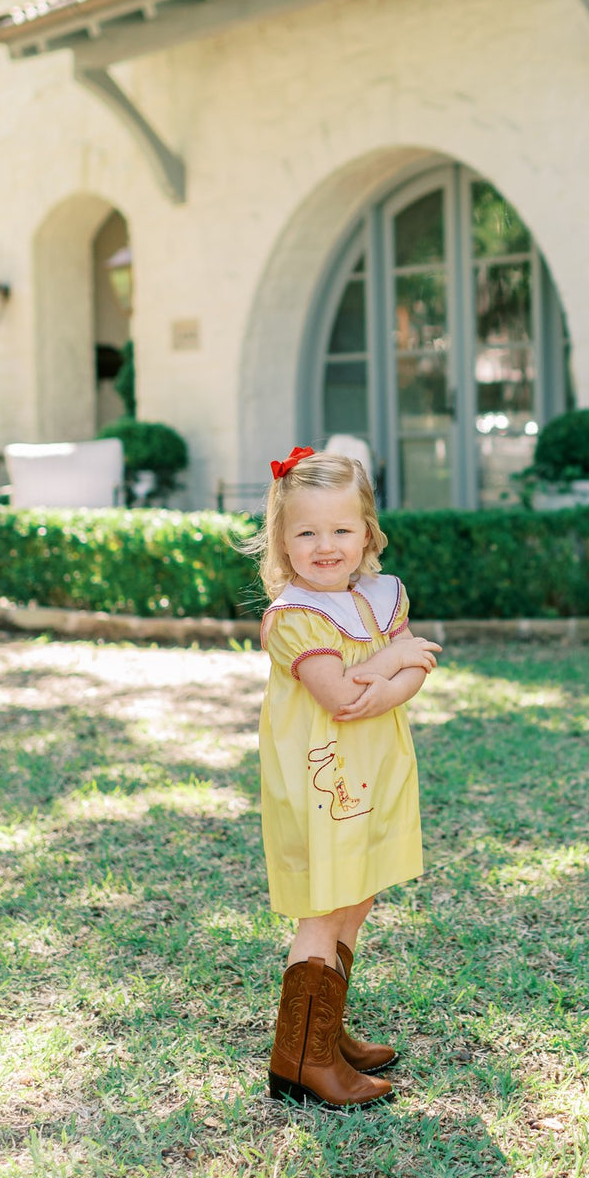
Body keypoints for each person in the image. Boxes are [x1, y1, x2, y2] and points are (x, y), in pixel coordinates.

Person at [248, 446, 441, 1109]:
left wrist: (391, 675)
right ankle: (299, 1059)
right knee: (324, 904)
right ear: (282, 540)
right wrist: (390, 661)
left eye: (340, 529)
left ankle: (325, 1034)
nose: (325, 545)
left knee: (356, 896)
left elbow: (419, 666)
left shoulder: (382, 594)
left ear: (367, 534)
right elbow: (339, 695)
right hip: (321, 777)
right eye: (306, 531)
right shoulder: (295, 616)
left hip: (374, 768)